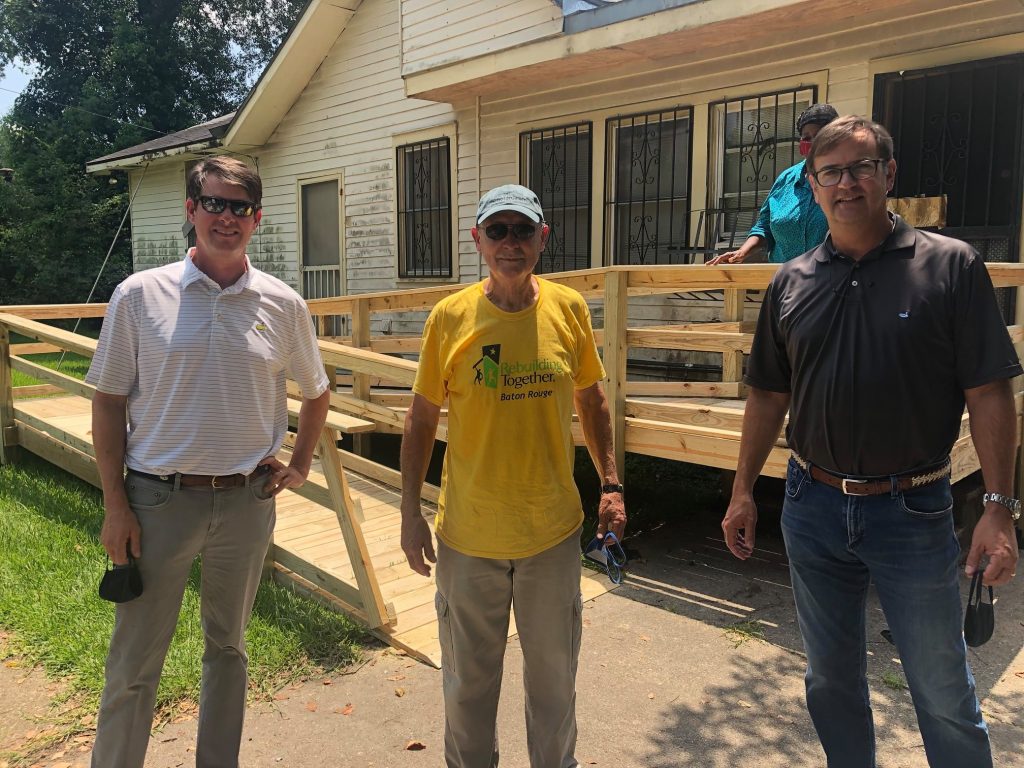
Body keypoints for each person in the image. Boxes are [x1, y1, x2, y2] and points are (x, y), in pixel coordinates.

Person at [720, 115, 1020, 767]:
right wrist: (744, 490)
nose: (846, 183)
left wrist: (998, 508)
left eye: (860, 167)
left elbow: (990, 390)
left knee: (942, 691)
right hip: (813, 506)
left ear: (889, 174)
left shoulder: (949, 267)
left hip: (912, 511)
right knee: (830, 682)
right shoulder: (791, 282)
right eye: (831, 172)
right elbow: (768, 394)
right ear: (813, 184)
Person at [87, 156, 332, 768]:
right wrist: (116, 505)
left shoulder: (282, 304)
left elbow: (317, 388)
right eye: (215, 203)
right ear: (191, 210)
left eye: (240, 206)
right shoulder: (140, 295)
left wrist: (299, 464)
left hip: (247, 503)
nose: (227, 217)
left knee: (228, 650)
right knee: (136, 657)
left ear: (256, 219)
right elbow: (109, 400)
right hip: (158, 501)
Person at [400, 184, 627, 768]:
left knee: (554, 687)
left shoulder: (568, 308)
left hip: (549, 534)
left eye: (522, 231)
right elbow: (421, 417)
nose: (510, 243)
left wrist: (611, 484)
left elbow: (593, 399)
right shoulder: (449, 318)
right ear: (477, 240)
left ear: (542, 239)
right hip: (468, 537)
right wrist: (408, 513)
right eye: (496, 231)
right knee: (468, 687)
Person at [707, 103, 838, 265]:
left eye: (819, 136)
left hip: (831, 281)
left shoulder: (845, 180)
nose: (812, 142)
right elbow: (764, 226)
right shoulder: (786, 179)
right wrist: (742, 252)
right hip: (785, 282)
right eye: (806, 138)